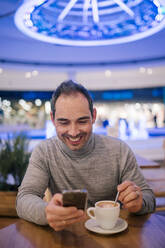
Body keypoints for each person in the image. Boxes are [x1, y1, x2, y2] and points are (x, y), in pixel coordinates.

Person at [16, 80, 155, 231]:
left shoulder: (119, 150)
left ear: (93, 116)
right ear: (53, 119)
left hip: (112, 235)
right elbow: (24, 198)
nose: (74, 132)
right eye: (64, 122)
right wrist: (46, 212)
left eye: (82, 121)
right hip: (67, 235)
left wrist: (138, 202)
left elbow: (149, 198)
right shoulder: (44, 151)